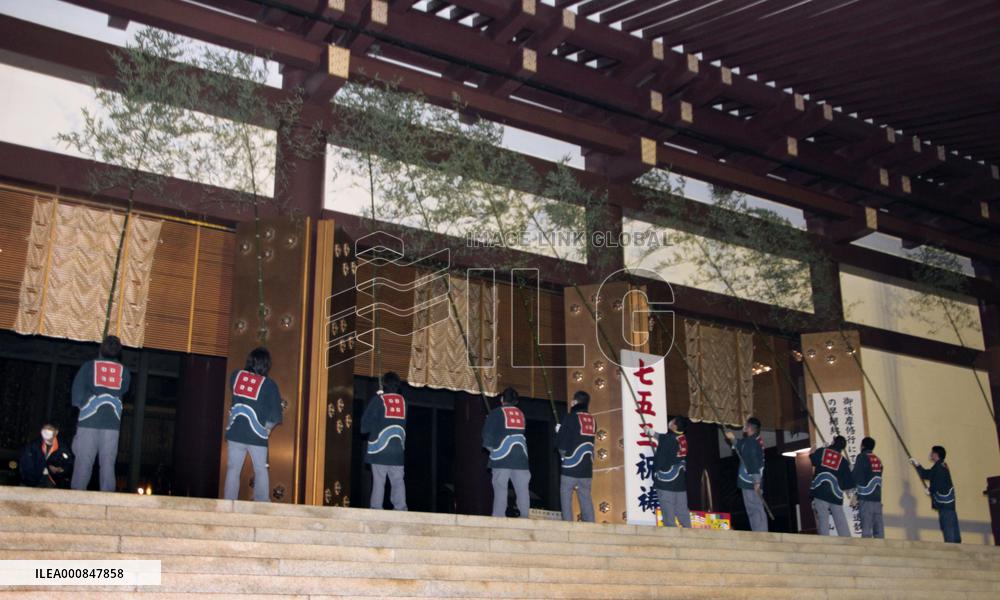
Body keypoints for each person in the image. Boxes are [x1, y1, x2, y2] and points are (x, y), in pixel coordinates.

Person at [70, 335, 130, 492]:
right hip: (112, 421)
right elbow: (124, 389)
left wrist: (81, 403)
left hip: (89, 419)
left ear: (101, 348)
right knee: (108, 462)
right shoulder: (124, 371)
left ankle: (77, 494)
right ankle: (107, 494)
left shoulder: (89, 366)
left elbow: (77, 393)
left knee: (84, 459)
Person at [223, 347, 283, 502]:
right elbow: (275, 412)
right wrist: (268, 428)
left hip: (235, 432)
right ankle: (261, 503)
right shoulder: (269, 384)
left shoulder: (236, 375)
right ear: (266, 364)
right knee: (260, 469)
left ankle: (228, 502)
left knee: (233, 469)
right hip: (256, 435)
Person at [361, 371, 408, 511]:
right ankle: (400, 508)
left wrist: (378, 396)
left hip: (379, 448)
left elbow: (364, 426)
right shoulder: (403, 402)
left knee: (379, 480)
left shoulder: (378, 400)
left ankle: (376, 507)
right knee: (398, 480)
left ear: (384, 384)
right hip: (397, 450)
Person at [483, 387, 530, 518]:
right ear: (516, 401)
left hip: (502, 458)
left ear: (502, 399)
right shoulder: (521, 414)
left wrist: (493, 452)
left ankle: (499, 518)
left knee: (500, 488)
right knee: (522, 490)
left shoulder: (496, 413)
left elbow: (487, 439)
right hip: (521, 458)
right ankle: (525, 517)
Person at [556, 390, 595, 522]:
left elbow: (562, 445)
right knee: (586, 498)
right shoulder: (592, 420)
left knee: (566, 497)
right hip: (586, 468)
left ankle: (568, 525)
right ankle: (591, 525)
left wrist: (559, 431)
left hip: (570, 466)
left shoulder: (570, 417)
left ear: (575, 402)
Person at [911, 446, 961, 543]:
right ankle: (955, 545)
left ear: (936, 454)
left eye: (932, 452)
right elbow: (926, 474)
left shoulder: (939, 468)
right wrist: (917, 465)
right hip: (947, 506)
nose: (930, 454)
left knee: (948, 529)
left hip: (945, 505)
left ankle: (953, 548)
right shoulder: (940, 466)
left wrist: (930, 490)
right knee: (951, 528)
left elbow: (939, 483)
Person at [725, 417, 767, 532]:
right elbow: (740, 444)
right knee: (752, 508)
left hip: (751, 479)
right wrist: (733, 439)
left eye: (746, 425)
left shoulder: (752, 443)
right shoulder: (749, 441)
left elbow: (753, 461)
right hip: (748, 479)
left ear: (750, 428)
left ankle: (761, 532)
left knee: (755, 507)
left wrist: (757, 481)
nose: (744, 426)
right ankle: (758, 531)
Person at [809, 435, 857, 537]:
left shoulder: (822, 451)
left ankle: (825, 541)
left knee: (823, 518)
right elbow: (848, 482)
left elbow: (813, 460)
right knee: (840, 519)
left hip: (821, 492)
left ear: (834, 441)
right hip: (836, 494)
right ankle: (847, 540)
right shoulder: (843, 461)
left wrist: (811, 452)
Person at [652, 415, 692, 528]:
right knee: (682, 510)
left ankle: (671, 535)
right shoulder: (682, 439)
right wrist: (652, 433)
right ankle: (690, 533)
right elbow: (666, 439)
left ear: (674, 426)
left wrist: (656, 472)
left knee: (668, 511)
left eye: (672, 421)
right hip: (680, 482)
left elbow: (661, 458)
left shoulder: (668, 439)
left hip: (666, 480)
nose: (670, 422)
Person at [20, 423, 73, 488]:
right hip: (34, 481)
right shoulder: (33, 446)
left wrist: (61, 470)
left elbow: (69, 464)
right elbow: (26, 465)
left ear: (56, 432)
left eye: (50, 428)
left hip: (53, 481)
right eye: (44, 428)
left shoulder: (63, 448)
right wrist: (30, 481)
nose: (46, 431)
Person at [852, 436, 884, 538]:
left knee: (866, 529)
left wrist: (855, 494)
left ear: (862, 446)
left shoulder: (862, 457)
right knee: (879, 529)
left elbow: (857, 476)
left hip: (866, 497)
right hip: (877, 497)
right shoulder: (878, 460)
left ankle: (866, 547)